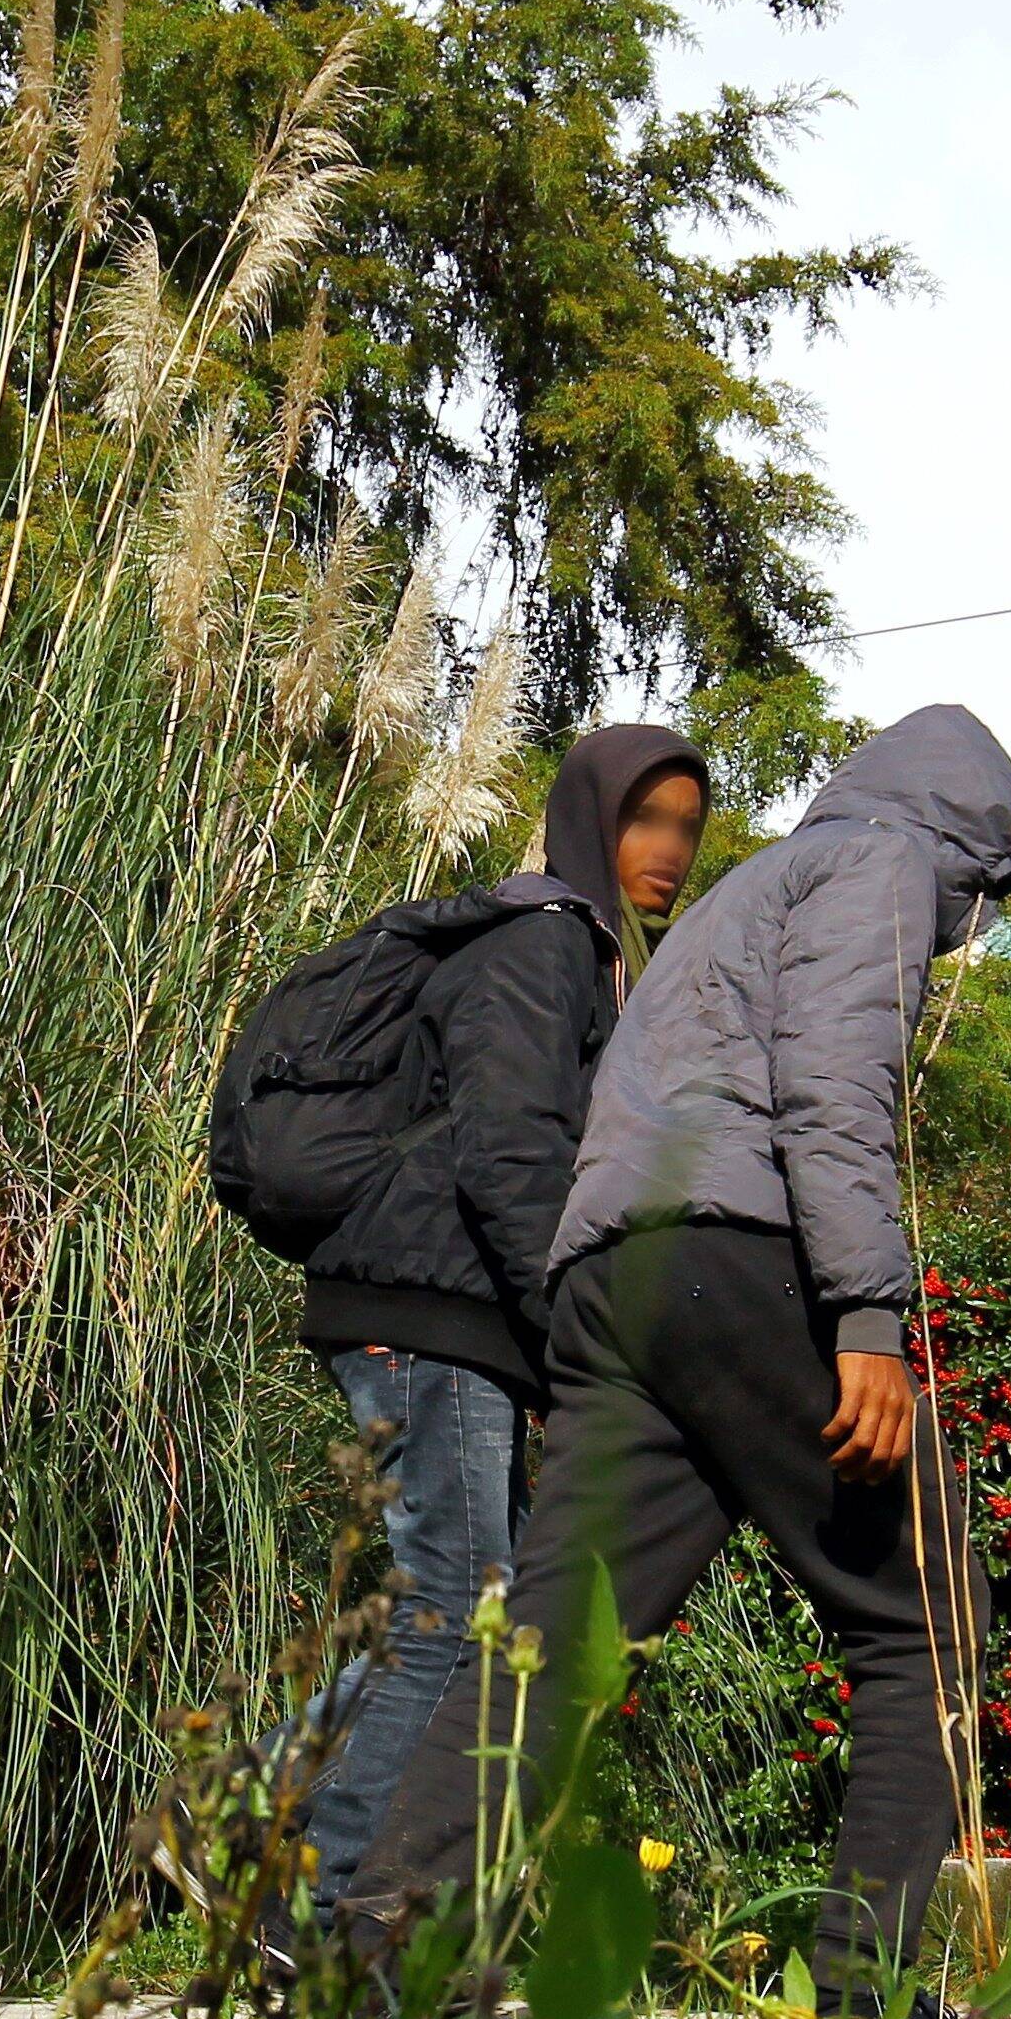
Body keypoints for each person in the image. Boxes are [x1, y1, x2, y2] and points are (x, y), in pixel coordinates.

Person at [340, 706, 1011, 2019]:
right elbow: (831, 1087)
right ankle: (872, 2001)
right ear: (969, 840)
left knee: (559, 1640)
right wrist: (867, 1314)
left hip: (617, 1278)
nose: (966, 927)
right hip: (745, 1261)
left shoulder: (751, 888)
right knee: (927, 1625)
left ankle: (384, 1973)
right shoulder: (883, 861)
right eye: (982, 895)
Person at [263, 728, 708, 1906]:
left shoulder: (592, 956)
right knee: (460, 1605)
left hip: (453, 1314)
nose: (666, 850)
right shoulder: (543, 942)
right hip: (430, 1310)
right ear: (588, 820)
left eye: (687, 828)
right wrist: (578, 1342)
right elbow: (512, 1152)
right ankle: (319, 1887)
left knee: (460, 1601)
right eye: (644, 819)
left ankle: (245, 1819)